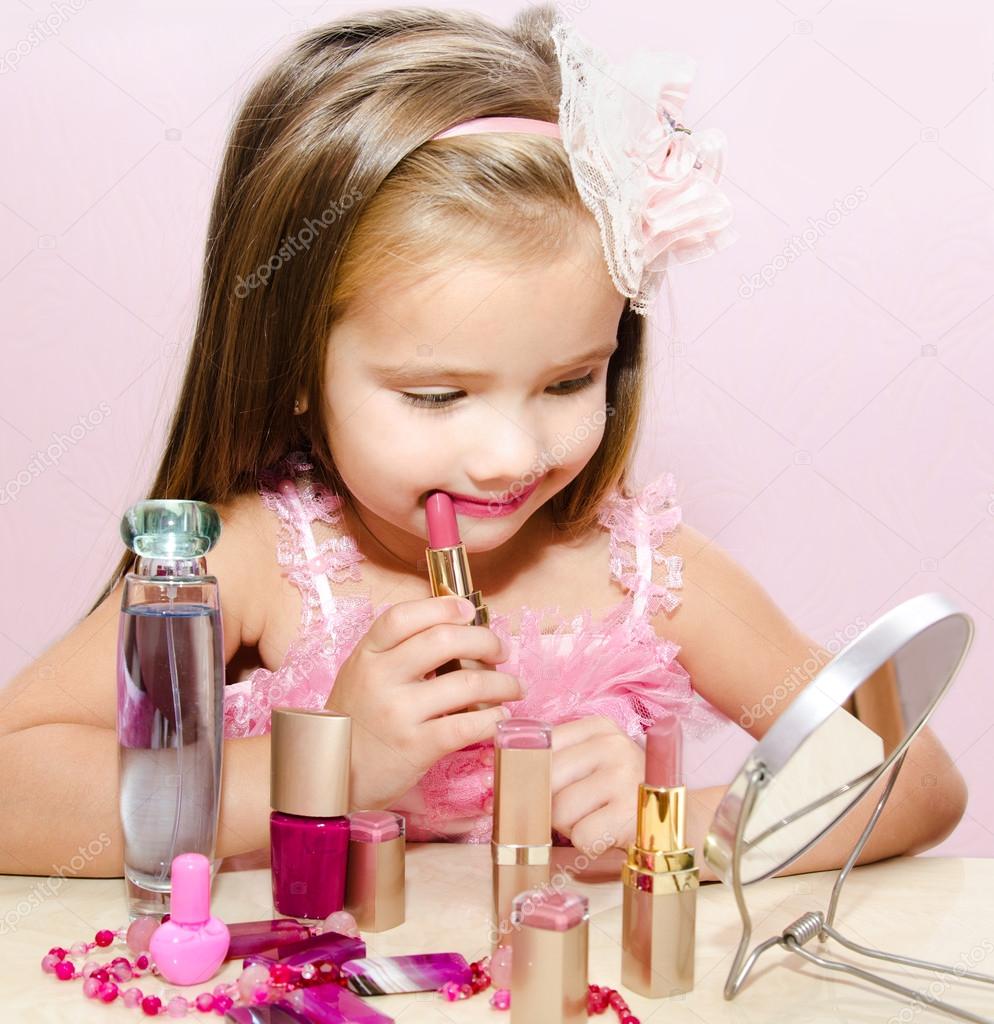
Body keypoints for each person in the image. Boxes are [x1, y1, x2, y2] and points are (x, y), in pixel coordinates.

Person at [0, 4, 966, 879]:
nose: (510, 455)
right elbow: (14, 784)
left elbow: (917, 779)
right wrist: (331, 761)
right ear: (294, 366)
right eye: (436, 395)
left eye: (569, 382)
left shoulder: (652, 575)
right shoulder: (257, 561)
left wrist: (670, 821)